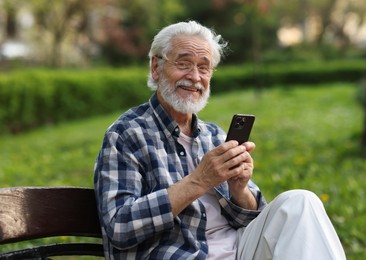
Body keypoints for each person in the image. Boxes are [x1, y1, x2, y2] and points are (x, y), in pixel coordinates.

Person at [94, 21, 346, 260]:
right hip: (180, 254)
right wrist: (198, 181)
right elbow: (119, 226)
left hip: (239, 250)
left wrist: (240, 190)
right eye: (184, 64)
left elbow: (257, 220)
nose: (194, 77)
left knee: (300, 202)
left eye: (203, 67)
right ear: (156, 67)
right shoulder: (126, 135)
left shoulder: (214, 136)